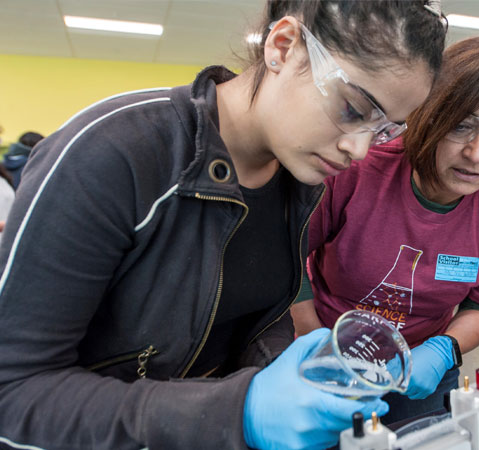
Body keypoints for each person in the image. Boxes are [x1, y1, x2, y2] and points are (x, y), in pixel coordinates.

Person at [0, 1, 447, 449]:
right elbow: (14, 394)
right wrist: (237, 410)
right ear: (283, 45)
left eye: (386, 129)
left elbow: (243, 310)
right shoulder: (112, 155)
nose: (360, 149)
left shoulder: (301, 182)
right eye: (352, 108)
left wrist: (284, 364)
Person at [292, 34, 479, 423]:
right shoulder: (357, 170)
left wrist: (445, 349)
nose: (478, 154)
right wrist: (315, 343)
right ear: (427, 114)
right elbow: (286, 260)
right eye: (461, 126)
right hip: (322, 345)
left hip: (418, 363)